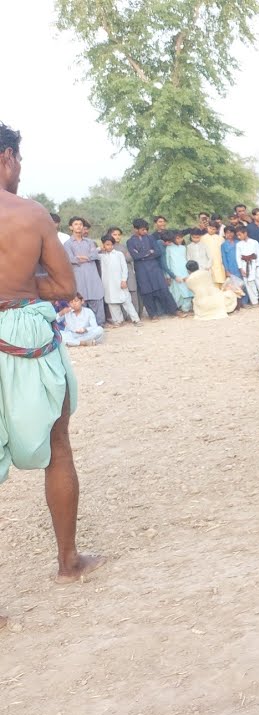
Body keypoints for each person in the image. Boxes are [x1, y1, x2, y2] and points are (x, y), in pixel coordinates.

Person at [0, 123, 105, 625]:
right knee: (57, 444)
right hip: (23, 336)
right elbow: (65, 285)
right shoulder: (30, 214)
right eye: (18, 161)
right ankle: (68, 562)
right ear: (6, 158)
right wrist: (19, 287)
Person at [127, 219, 178, 319]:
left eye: (146, 229)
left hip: (155, 268)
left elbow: (158, 252)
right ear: (135, 229)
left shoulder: (150, 238)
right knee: (146, 292)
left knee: (163, 289)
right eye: (142, 230)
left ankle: (174, 311)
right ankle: (153, 315)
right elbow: (135, 256)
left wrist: (143, 255)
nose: (145, 231)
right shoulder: (130, 241)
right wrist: (149, 252)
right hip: (141, 270)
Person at [64, 217, 106, 325]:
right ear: (71, 227)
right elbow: (70, 258)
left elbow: (94, 255)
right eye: (76, 224)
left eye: (80, 224)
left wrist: (82, 257)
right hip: (78, 276)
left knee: (96, 298)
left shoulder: (90, 242)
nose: (79, 226)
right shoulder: (67, 244)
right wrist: (86, 257)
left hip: (92, 275)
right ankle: (84, 326)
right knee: (81, 300)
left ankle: (99, 325)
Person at [98, 235, 141, 327]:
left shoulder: (119, 254)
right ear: (103, 245)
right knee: (112, 302)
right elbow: (92, 254)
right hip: (108, 284)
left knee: (126, 301)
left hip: (120, 282)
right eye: (107, 245)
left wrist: (124, 280)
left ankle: (135, 319)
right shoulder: (101, 256)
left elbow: (124, 268)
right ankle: (118, 320)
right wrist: (99, 248)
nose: (109, 246)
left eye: (111, 244)